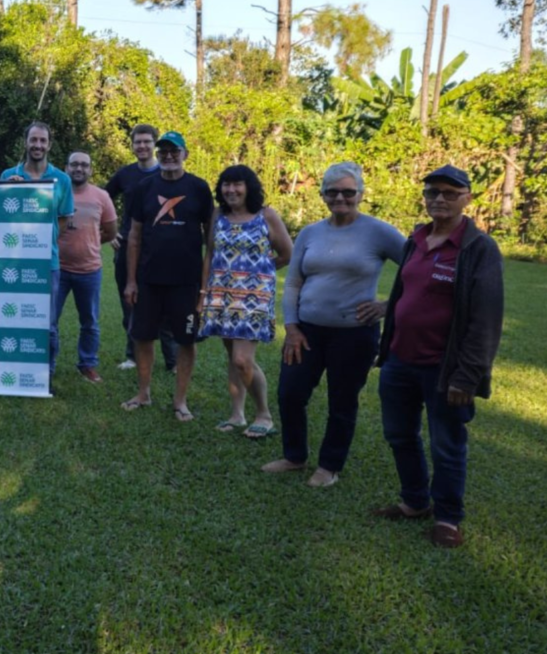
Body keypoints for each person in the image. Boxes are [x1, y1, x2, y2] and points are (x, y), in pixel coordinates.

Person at [372, 165, 503, 549]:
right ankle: (414, 501)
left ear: (467, 198)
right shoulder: (416, 239)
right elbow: (404, 294)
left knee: (447, 443)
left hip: (445, 370)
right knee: (399, 435)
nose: (439, 199)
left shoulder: (479, 249)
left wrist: (467, 375)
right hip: (399, 361)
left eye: (449, 192)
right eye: (432, 192)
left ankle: (447, 516)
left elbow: (486, 319)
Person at [262, 162, 405, 487]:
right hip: (307, 332)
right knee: (290, 393)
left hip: (354, 335)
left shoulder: (379, 232)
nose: (340, 197)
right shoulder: (311, 232)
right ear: (323, 194)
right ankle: (294, 456)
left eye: (348, 192)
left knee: (342, 400)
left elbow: (416, 269)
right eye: (333, 191)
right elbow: (295, 283)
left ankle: (329, 466)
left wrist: (387, 305)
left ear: (361, 194)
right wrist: (292, 327)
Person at [122, 131, 213, 421]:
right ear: (158, 155)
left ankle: (180, 401)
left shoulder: (199, 188)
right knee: (142, 336)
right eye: (164, 152)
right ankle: (143, 393)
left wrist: (203, 289)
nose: (169, 156)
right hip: (148, 279)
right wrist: (131, 280)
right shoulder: (144, 188)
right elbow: (134, 237)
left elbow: (210, 242)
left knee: (185, 341)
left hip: (186, 282)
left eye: (175, 151)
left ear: (185, 154)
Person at [199, 165, 293, 437]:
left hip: (253, 299)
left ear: (249, 187)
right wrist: (204, 294)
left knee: (242, 359)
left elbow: (288, 254)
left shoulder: (266, 216)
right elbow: (210, 255)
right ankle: (237, 414)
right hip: (221, 296)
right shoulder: (218, 215)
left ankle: (264, 414)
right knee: (232, 356)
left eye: (237, 184)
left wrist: (258, 273)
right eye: (226, 184)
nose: (231, 190)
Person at [1, 122, 75, 375]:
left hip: (47, 263)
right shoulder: (8, 175)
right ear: (26, 142)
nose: (38, 145)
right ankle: (12, 366)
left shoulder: (61, 180)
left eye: (43, 140)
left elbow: (64, 220)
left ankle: (46, 372)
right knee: (10, 318)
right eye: (33, 140)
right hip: (11, 263)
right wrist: (6, 190)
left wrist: (43, 242)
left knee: (48, 323)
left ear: (49, 144)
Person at [105, 123, 175, 371]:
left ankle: (172, 361)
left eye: (147, 141)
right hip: (127, 248)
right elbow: (103, 200)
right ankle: (132, 356)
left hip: (159, 249)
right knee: (129, 302)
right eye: (138, 142)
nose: (142, 146)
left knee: (165, 305)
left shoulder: (167, 173)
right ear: (132, 145)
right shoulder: (125, 175)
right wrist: (110, 233)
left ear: (154, 145)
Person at [58, 151, 118, 384]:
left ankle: (87, 365)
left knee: (90, 321)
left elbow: (111, 231)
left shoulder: (101, 196)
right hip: (58, 270)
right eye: (74, 164)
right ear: (66, 168)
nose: (79, 168)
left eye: (84, 165)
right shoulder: (56, 192)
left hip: (89, 270)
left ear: (91, 170)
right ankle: (46, 364)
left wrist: (91, 241)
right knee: (49, 320)